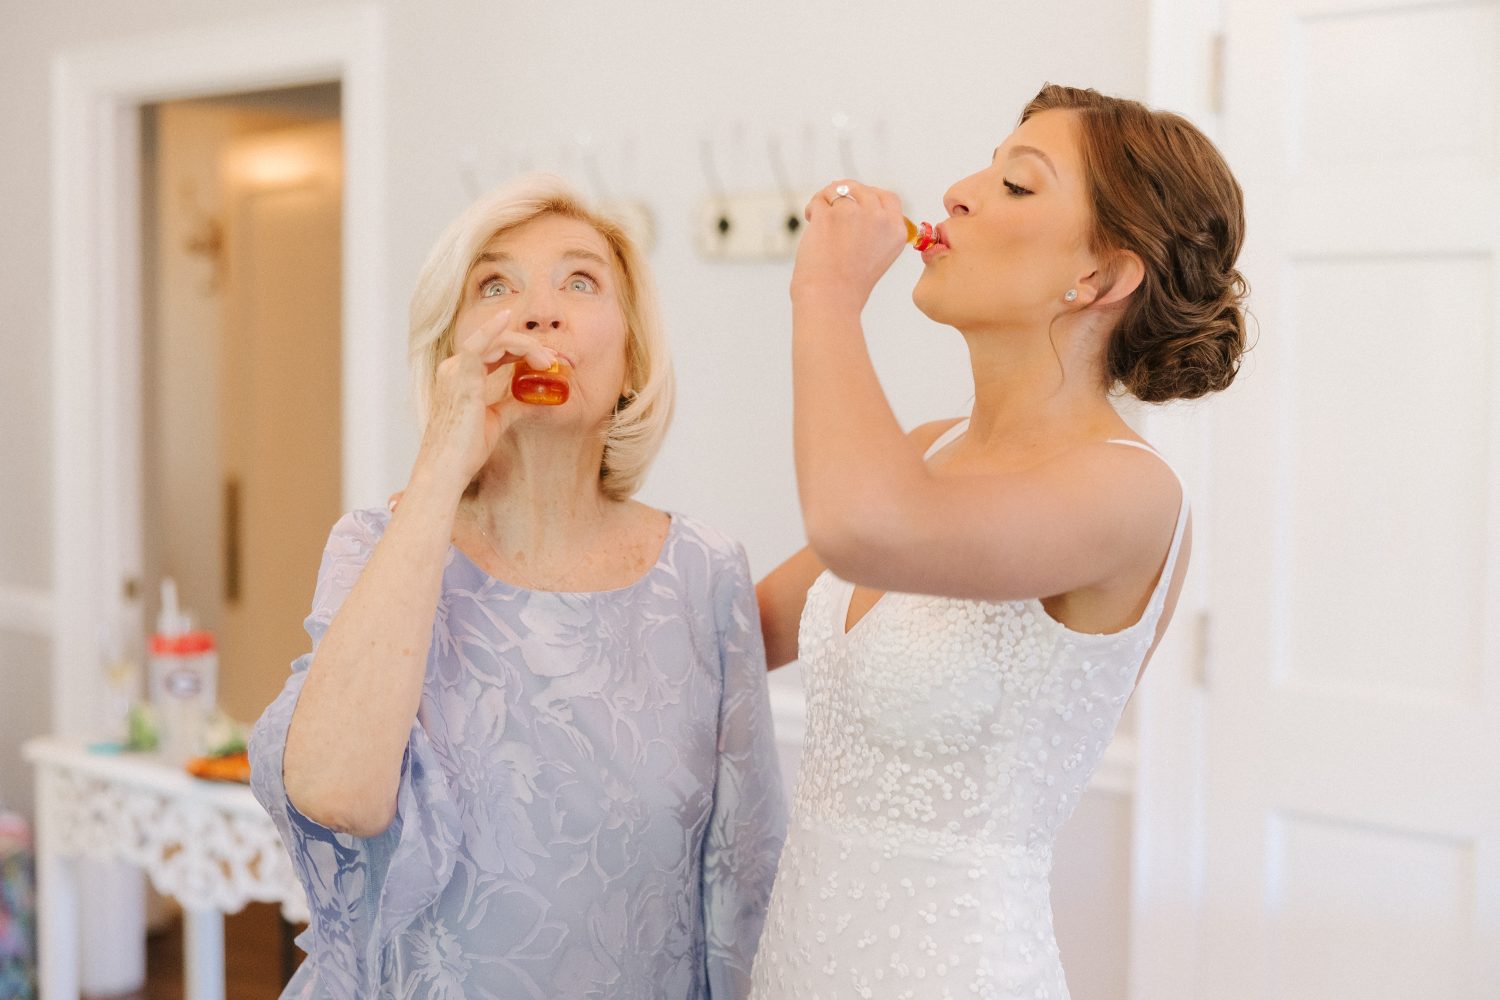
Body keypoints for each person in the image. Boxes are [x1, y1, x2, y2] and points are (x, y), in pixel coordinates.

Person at [748, 84, 1246, 998]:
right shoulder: (922, 452)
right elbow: (731, 633)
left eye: (1017, 186)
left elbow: (861, 529)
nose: (959, 192)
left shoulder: (1130, 492)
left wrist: (822, 291)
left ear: (1099, 278)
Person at [249, 175, 786, 999]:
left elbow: (740, 884)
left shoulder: (705, 573)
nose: (539, 313)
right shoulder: (373, 546)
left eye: (580, 281)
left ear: (633, 355)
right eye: (496, 285)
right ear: (449, 355)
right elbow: (336, 793)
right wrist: (442, 463)